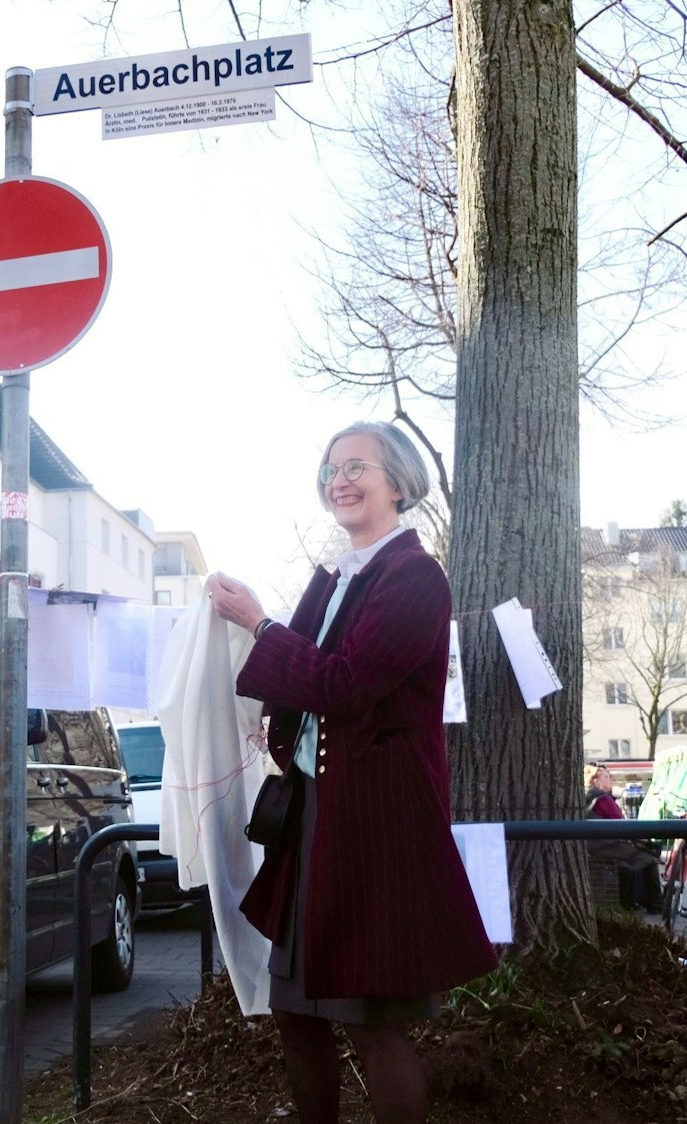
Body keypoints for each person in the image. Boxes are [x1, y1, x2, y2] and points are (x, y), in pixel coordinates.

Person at [206, 421, 494, 1124]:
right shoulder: (337, 576)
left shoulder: (414, 576)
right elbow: (299, 685)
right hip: (315, 822)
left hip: (374, 831)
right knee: (296, 1014)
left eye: (356, 466)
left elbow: (345, 684)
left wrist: (260, 626)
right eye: (330, 469)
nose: (339, 480)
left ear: (396, 482)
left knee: (372, 1024)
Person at [585, 765, 661, 912]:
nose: (611, 780)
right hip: (606, 846)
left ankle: (641, 901)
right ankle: (655, 904)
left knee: (641, 855)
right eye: (607, 777)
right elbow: (621, 823)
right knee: (648, 857)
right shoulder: (602, 799)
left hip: (594, 844)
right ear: (596, 781)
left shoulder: (587, 795)